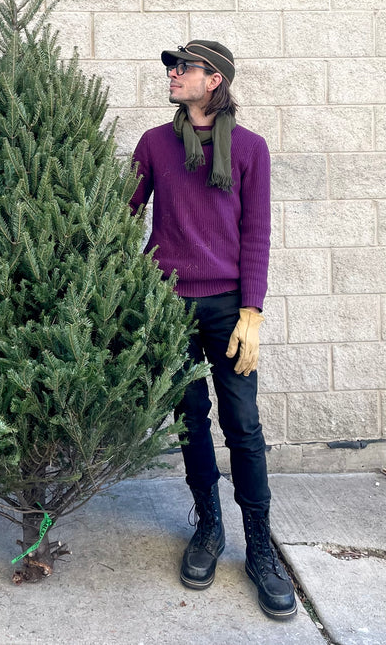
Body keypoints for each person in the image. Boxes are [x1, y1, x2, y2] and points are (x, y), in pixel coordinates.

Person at [129, 40, 296, 621]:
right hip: (168, 304)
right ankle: (208, 528)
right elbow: (120, 212)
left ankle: (260, 549)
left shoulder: (250, 149)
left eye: (185, 68)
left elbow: (256, 232)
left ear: (214, 81)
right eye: (172, 67)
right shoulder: (154, 143)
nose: (174, 75)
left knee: (243, 426)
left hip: (227, 306)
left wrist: (253, 310)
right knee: (188, 422)